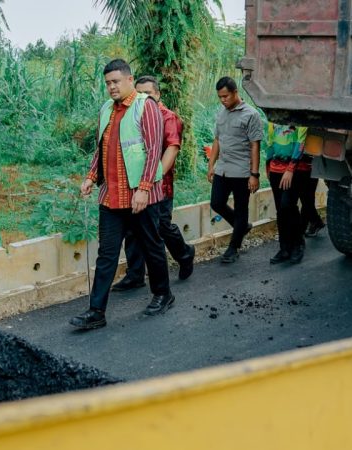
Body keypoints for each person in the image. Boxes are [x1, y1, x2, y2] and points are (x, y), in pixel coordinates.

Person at [70, 59, 172, 330]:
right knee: (107, 254)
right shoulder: (106, 109)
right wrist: (91, 176)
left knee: (151, 246)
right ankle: (96, 312)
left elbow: (153, 150)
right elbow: (101, 149)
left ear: (129, 80)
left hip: (140, 196)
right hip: (111, 196)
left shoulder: (144, 106)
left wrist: (144, 188)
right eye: (107, 83)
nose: (111, 87)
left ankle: (163, 294)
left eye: (115, 81)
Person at [111, 75, 195, 291]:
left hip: (159, 186)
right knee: (133, 229)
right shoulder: (133, 115)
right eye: (139, 93)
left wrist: (152, 181)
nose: (143, 97)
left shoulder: (168, 117)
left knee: (161, 227)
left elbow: (172, 149)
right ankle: (135, 275)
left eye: (148, 93)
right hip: (136, 185)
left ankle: (184, 254)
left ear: (157, 94)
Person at [207, 77, 263, 263]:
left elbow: (255, 146)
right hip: (222, 169)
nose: (223, 100)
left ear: (235, 92)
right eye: (220, 97)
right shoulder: (221, 112)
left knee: (241, 209)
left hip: (241, 171)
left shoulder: (251, 115)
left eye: (226, 96)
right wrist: (211, 165)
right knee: (216, 203)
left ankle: (234, 247)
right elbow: (217, 140)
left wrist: (254, 174)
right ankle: (241, 227)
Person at [265, 122, 312, 264]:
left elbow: (301, 141)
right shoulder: (273, 118)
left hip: (296, 168)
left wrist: (290, 169)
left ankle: (298, 244)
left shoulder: (299, 115)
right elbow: (271, 141)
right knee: (280, 209)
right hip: (276, 168)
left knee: (288, 205)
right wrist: (267, 165)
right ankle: (284, 247)